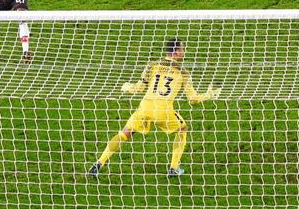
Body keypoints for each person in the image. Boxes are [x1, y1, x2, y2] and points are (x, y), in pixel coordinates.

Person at [89, 39, 221, 178]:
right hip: (163, 111)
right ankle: (174, 168)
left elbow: (139, 88)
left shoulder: (152, 65)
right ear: (176, 52)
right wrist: (209, 95)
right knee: (182, 129)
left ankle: (99, 163)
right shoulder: (183, 73)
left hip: (145, 107)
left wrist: (127, 87)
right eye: (182, 49)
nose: (183, 52)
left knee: (124, 134)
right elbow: (193, 100)